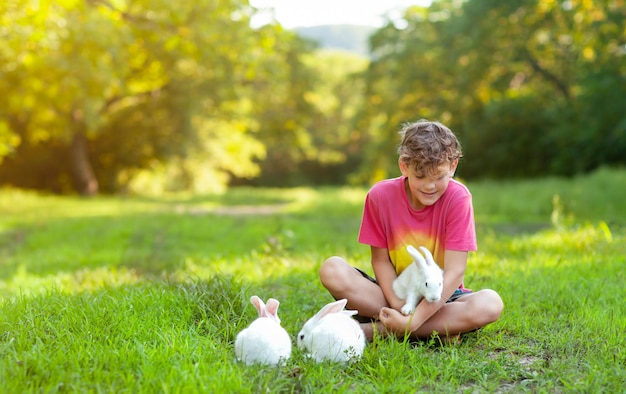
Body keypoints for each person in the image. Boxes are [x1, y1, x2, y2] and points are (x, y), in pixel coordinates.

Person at [319, 119, 503, 341]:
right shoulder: (380, 196)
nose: (429, 186)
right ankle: (437, 330)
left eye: (439, 177)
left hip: (441, 295)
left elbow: (454, 272)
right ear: (404, 166)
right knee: (332, 270)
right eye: (420, 176)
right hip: (394, 291)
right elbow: (381, 261)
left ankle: (380, 331)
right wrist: (400, 307)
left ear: (453, 167)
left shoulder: (458, 198)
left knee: (490, 304)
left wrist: (413, 321)